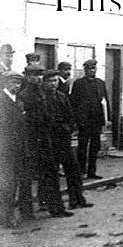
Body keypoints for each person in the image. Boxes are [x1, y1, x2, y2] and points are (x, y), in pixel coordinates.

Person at [21, 65, 72, 217]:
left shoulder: (42, 94)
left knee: (50, 175)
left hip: (44, 141)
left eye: (39, 76)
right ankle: (26, 212)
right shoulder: (24, 96)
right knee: (26, 178)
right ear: (27, 77)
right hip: (30, 142)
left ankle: (56, 209)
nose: (37, 79)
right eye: (33, 76)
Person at [41, 71, 91, 210]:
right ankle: (47, 204)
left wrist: (69, 128)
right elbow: (45, 120)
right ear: (44, 83)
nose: (53, 84)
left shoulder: (62, 97)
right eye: (50, 81)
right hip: (49, 141)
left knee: (73, 170)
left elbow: (70, 115)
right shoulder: (42, 99)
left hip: (64, 140)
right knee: (50, 174)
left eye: (55, 81)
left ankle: (77, 200)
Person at [69, 59, 110, 179]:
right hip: (84, 121)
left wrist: (108, 118)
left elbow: (105, 101)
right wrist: (76, 120)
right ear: (85, 70)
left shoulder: (100, 83)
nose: (91, 71)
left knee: (95, 146)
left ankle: (92, 172)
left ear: (96, 69)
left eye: (93, 69)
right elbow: (74, 102)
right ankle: (81, 171)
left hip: (96, 120)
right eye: (89, 69)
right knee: (82, 146)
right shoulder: (79, 84)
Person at [0, 73, 26, 227]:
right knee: (6, 185)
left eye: (19, 83)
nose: (16, 86)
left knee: (12, 183)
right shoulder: (2, 101)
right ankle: (5, 218)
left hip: (16, 149)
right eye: (13, 83)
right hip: (4, 149)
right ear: (5, 82)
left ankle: (7, 216)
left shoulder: (18, 101)